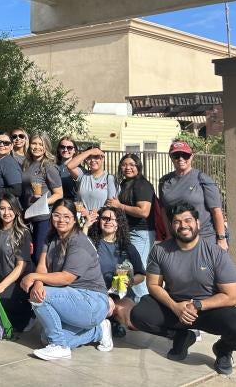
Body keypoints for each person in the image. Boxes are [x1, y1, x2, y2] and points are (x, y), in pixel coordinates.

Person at [130, 203, 236, 375]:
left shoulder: (216, 253)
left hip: (208, 308)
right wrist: (175, 306)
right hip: (175, 308)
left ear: (197, 223)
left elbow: (232, 296)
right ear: (172, 225)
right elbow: (153, 285)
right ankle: (181, 336)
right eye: (177, 222)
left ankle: (223, 350)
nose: (183, 225)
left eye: (188, 220)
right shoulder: (160, 250)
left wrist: (198, 305)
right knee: (139, 314)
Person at [20, 198, 112, 360]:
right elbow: (42, 266)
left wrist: (34, 277)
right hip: (72, 298)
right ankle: (98, 331)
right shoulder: (51, 238)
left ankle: (59, 346)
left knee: (40, 297)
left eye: (66, 216)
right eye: (56, 215)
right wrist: (39, 282)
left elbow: (66, 278)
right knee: (45, 337)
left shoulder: (79, 241)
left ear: (74, 219)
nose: (61, 220)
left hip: (92, 301)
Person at [87, 206, 145, 337]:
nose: (108, 221)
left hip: (119, 294)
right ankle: (102, 322)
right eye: (105, 218)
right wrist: (85, 226)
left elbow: (141, 275)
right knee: (107, 306)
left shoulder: (127, 247)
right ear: (99, 220)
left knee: (134, 322)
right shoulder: (90, 242)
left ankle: (113, 320)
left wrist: (130, 281)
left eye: (113, 219)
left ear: (119, 224)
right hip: (95, 293)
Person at [159, 141, 228, 249]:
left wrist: (221, 239)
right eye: (176, 155)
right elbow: (163, 210)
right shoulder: (165, 181)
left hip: (204, 237)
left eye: (185, 155)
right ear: (171, 158)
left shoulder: (202, 179)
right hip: (178, 240)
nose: (181, 159)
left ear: (191, 156)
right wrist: (168, 234)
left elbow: (216, 210)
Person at [106, 153, 155, 299]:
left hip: (141, 232)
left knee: (138, 271)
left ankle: (144, 306)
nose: (128, 168)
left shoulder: (142, 184)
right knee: (125, 270)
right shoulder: (123, 185)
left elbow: (144, 211)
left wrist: (119, 206)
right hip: (127, 232)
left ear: (138, 167)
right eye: (124, 164)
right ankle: (129, 308)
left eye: (132, 164)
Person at [0, 194, 34, 332]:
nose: (6, 213)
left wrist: (2, 286)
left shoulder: (23, 232)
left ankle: (29, 315)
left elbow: (21, 266)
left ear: (16, 210)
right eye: (2, 208)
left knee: (1, 308)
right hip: (2, 282)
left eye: (10, 208)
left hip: (19, 283)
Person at [21, 132, 64, 265]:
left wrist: (41, 202)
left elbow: (59, 194)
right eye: (34, 143)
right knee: (28, 255)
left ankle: (43, 284)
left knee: (39, 256)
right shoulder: (27, 163)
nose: (37, 147)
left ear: (46, 147)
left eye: (41, 144)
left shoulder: (48, 166)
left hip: (43, 217)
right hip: (28, 217)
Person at [67, 145, 117, 230]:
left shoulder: (109, 178)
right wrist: (90, 151)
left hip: (100, 222)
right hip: (82, 221)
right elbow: (70, 166)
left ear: (103, 159)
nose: (93, 160)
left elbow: (112, 205)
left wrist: (92, 212)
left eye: (96, 157)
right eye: (89, 157)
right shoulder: (83, 175)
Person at [0, 132, 23, 212]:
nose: (2, 145)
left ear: (12, 146)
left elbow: (17, 190)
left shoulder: (9, 164)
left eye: (6, 143)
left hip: (4, 211)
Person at [55, 136, 80, 201]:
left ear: (74, 150)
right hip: (55, 205)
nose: (65, 150)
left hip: (72, 205)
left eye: (69, 148)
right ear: (58, 149)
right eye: (62, 147)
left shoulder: (79, 169)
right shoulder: (52, 167)